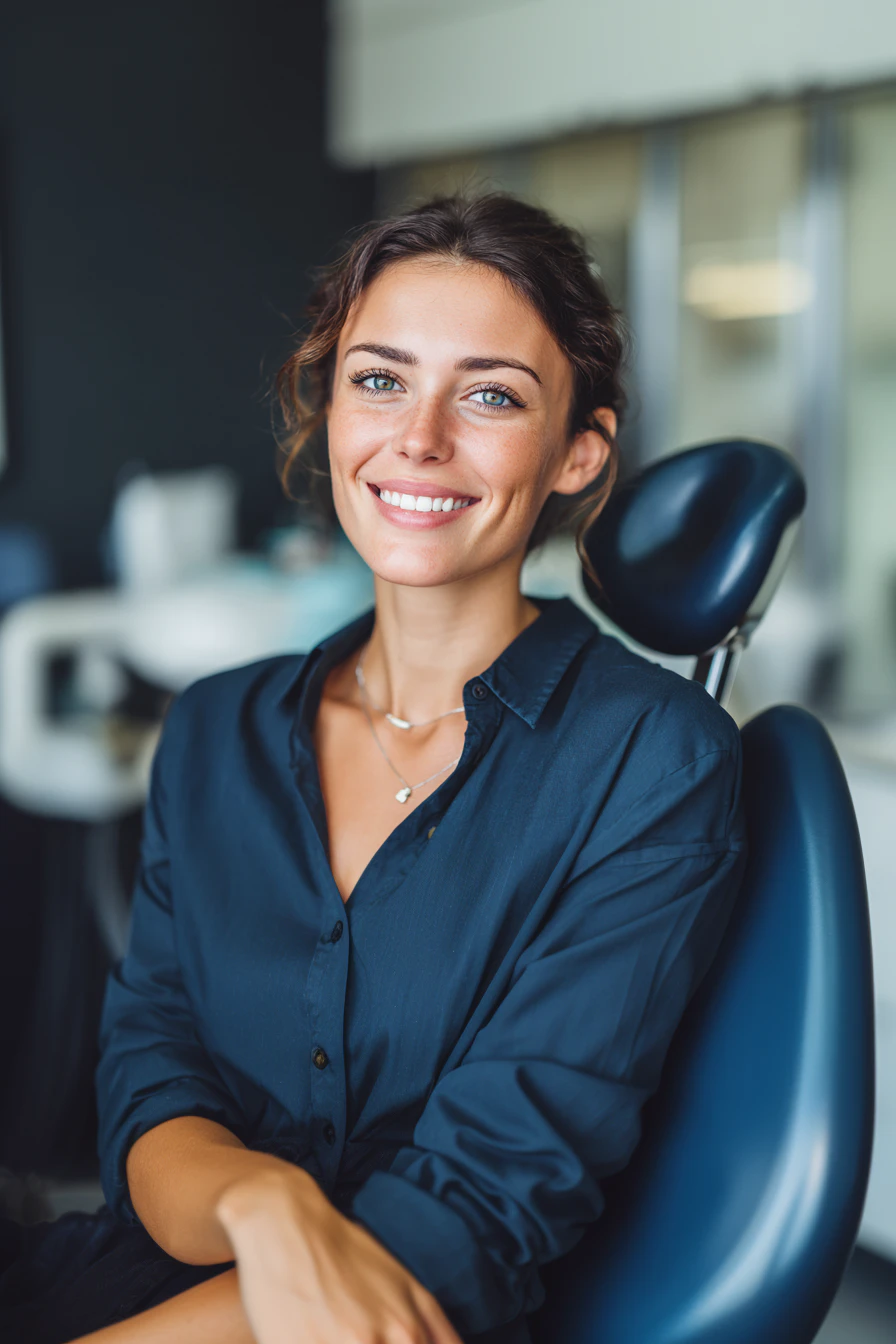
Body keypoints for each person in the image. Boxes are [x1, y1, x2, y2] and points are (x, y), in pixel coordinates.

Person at [0, 191, 747, 1344]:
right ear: (329, 407)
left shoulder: (652, 764)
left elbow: (481, 1214)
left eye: (490, 394)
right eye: (380, 379)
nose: (419, 438)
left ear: (576, 453)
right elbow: (149, 1086)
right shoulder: (213, 733)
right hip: (133, 1277)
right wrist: (264, 1201)